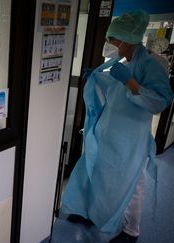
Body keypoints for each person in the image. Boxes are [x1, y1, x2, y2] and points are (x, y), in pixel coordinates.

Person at [61, 10, 174, 243]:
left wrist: (131, 83)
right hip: (110, 135)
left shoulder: (150, 65)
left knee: (132, 186)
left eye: (113, 39)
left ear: (126, 38)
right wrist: (96, 76)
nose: (110, 44)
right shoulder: (123, 62)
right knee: (99, 175)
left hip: (130, 140)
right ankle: (93, 213)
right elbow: (113, 85)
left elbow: (159, 101)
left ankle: (131, 231)